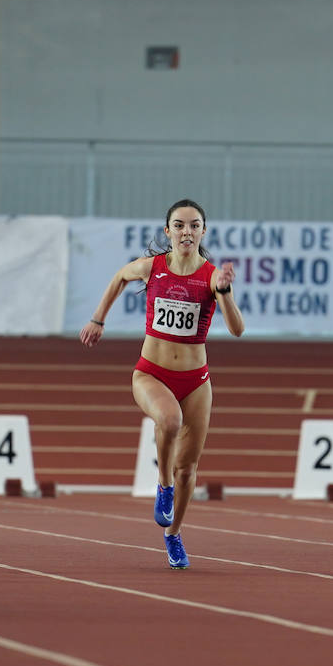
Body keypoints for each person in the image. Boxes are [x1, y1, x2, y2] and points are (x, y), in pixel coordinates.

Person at [80, 199, 244, 569]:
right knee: (169, 420)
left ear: (203, 231)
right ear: (167, 231)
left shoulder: (211, 276)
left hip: (196, 381)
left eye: (194, 225)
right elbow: (120, 276)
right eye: (180, 225)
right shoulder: (152, 268)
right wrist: (98, 319)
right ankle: (163, 485)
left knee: (190, 469)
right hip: (151, 373)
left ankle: (173, 535)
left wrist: (225, 293)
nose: (187, 231)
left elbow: (236, 330)